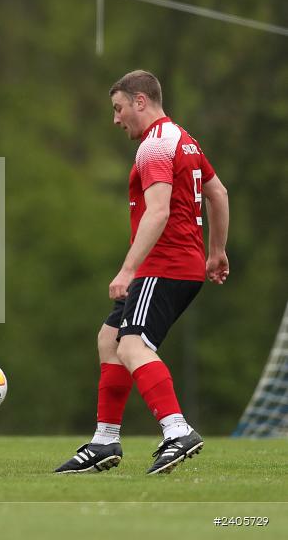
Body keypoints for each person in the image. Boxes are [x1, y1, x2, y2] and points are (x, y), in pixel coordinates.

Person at [55, 70, 230, 475]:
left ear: (140, 101)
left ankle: (177, 430)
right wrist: (217, 252)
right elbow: (218, 193)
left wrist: (128, 269)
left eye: (118, 108)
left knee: (133, 346)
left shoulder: (154, 146)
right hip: (183, 264)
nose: (116, 119)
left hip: (163, 266)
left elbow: (159, 210)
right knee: (110, 339)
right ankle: (104, 440)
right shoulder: (184, 139)